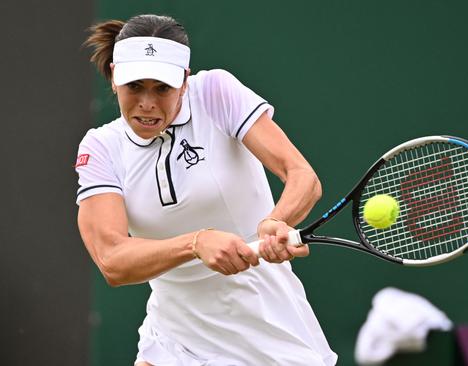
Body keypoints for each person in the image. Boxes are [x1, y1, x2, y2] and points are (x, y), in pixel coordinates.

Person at [76, 14, 337, 366]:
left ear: (184, 81)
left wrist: (276, 220)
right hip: (173, 340)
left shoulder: (215, 92)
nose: (147, 103)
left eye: (162, 88)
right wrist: (196, 243)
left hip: (268, 332)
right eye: (135, 86)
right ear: (113, 77)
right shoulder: (102, 148)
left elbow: (302, 176)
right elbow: (112, 260)